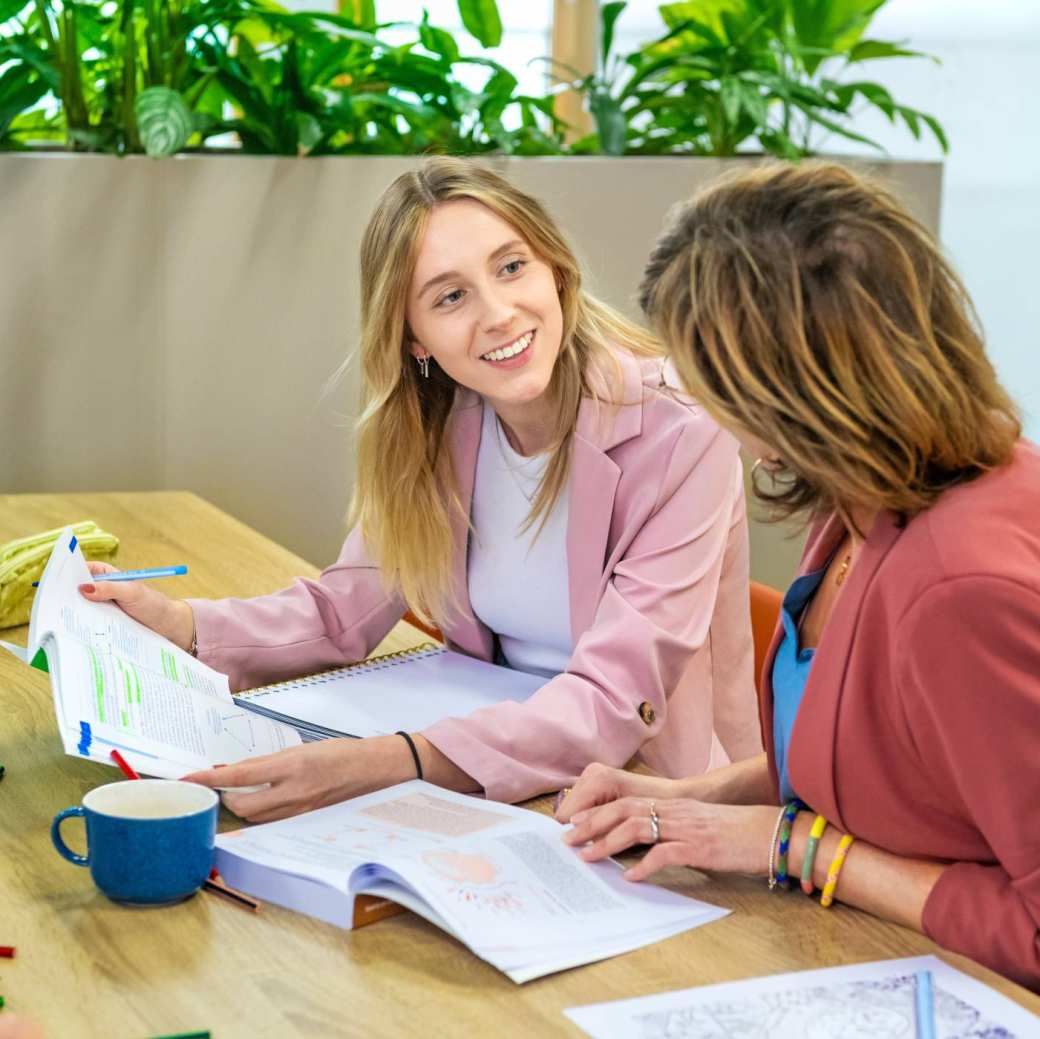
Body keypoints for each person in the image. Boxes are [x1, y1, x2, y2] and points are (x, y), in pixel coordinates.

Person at [81, 157, 761, 817]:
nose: (497, 313)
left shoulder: (683, 432)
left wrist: (385, 761)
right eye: (450, 296)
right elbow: (341, 610)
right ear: (415, 340)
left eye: (512, 267)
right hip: (490, 783)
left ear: (556, 270)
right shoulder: (441, 427)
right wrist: (183, 626)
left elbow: (615, 701)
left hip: (650, 799)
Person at [557, 161, 1040, 990]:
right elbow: (870, 756)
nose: (695, 398)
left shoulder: (963, 590)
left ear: (785, 390)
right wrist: (685, 797)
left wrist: (795, 847)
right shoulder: (863, 499)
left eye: (705, 375)